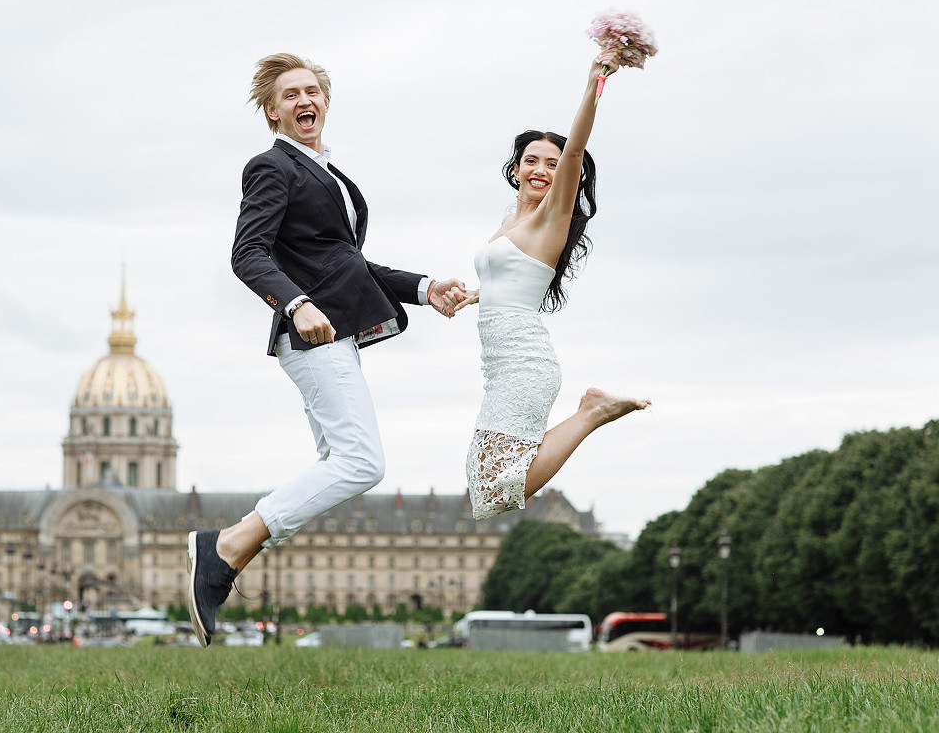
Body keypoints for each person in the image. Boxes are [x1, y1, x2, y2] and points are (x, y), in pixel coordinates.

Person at [185, 53, 463, 647]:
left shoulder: (326, 171)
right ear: (271, 111)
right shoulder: (271, 166)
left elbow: (347, 264)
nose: (303, 100)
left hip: (331, 331)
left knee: (339, 463)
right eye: (290, 95)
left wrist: (422, 288)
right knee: (363, 462)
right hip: (313, 332)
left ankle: (228, 549)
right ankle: (227, 547)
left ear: (327, 102)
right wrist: (294, 303)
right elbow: (247, 254)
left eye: (312, 90)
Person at [446, 47, 650, 520]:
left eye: (552, 164)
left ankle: (591, 413)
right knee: (484, 483)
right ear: (515, 168)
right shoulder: (508, 221)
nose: (541, 169)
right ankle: (591, 412)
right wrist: (475, 294)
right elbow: (512, 276)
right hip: (499, 364)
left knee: (493, 491)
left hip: (524, 363)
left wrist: (595, 81)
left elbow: (577, 147)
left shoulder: (552, 218)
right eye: (531, 160)